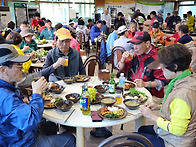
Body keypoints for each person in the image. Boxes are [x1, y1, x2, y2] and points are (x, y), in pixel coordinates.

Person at [0, 44, 76, 146]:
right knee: (71, 139)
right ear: (3, 70)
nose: (22, 68)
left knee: (51, 126)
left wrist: (23, 104)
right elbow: (30, 122)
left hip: (17, 132)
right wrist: (36, 94)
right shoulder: (5, 96)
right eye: (18, 65)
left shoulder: (8, 87)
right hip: (21, 142)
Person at [137, 44, 196, 147]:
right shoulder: (188, 78)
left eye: (163, 67)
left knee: (133, 139)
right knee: (141, 130)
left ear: (175, 67)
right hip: (183, 135)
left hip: (176, 142)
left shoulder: (182, 95)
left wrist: (152, 116)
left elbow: (178, 130)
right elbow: (182, 109)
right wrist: (158, 106)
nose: (161, 70)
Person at [119, 31, 168, 103]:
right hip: (135, 90)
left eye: (138, 44)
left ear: (147, 44)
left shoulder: (157, 58)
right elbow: (122, 69)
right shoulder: (136, 54)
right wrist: (123, 60)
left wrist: (145, 84)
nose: (134, 48)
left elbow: (163, 82)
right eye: (134, 44)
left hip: (152, 95)